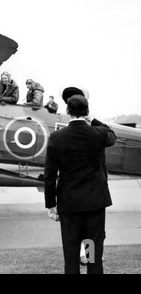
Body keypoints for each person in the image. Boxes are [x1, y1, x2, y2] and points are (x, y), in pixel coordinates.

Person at [44, 94, 116, 274]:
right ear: (87, 111)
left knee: (71, 254)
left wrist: (51, 204)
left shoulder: (57, 137)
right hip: (94, 204)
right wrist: (93, 120)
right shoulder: (98, 134)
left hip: (69, 204)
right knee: (92, 252)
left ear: (67, 111)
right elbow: (111, 135)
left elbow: (50, 175)